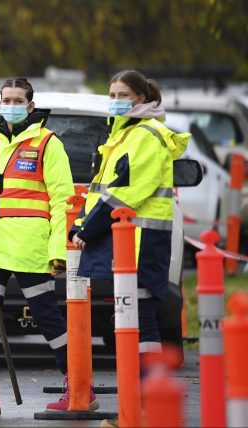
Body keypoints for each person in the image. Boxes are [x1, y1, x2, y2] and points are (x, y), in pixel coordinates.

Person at [0, 78, 93, 417]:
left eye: (17, 99)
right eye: (5, 99)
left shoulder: (47, 143)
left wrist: (58, 248)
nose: (10, 104)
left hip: (30, 246)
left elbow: (62, 200)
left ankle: (78, 383)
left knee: (47, 317)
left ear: (30, 105)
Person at [70, 70, 189, 428]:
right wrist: (81, 222)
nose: (115, 100)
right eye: (111, 94)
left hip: (138, 242)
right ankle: (141, 406)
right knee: (134, 323)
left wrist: (87, 229)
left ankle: (146, 406)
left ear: (141, 98)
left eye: (122, 94)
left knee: (141, 322)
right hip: (126, 241)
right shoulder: (125, 134)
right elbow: (102, 189)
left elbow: (127, 193)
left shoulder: (146, 137)